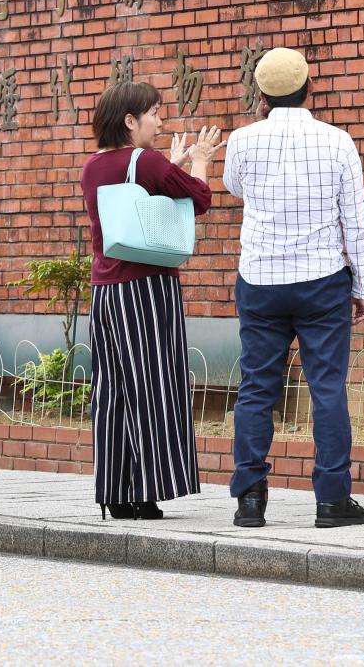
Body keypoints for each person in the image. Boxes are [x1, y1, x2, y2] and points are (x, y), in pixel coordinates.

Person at [225, 47, 364, 529]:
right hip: (322, 280)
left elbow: (235, 188)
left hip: (261, 280)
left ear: (261, 94)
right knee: (327, 388)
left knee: (256, 388)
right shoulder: (338, 141)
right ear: (309, 88)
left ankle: (250, 499)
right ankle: (332, 501)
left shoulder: (242, 140)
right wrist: (363, 283)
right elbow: (356, 220)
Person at [79, 81, 222, 520]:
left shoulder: (93, 166)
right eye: (155, 114)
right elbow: (199, 198)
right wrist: (199, 161)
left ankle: (115, 493)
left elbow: (140, 198)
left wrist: (169, 166)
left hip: (105, 291)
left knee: (113, 392)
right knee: (153, 387)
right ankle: (147, 491)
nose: (160, 122)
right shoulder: (147, 161)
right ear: (129, 121)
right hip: (146, 290)